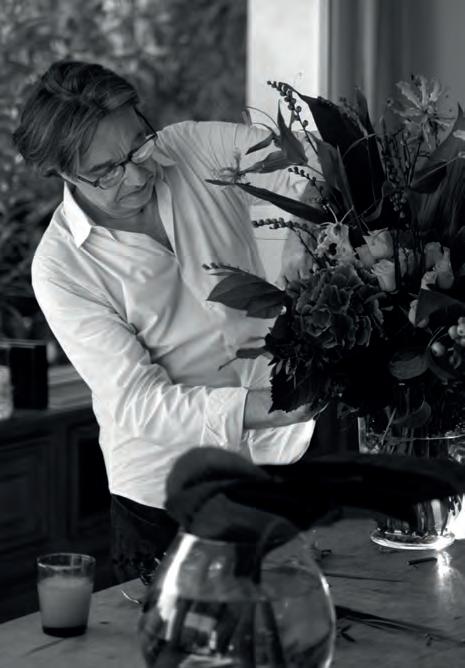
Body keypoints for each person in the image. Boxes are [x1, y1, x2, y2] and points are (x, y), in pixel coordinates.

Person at [13, 60, 319, 582]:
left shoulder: (193, 148)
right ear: (61, 173)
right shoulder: (61, 267)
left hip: (280, 462)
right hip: (167, 498)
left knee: (299, 621)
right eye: (107, 171)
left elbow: (317, 157)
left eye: (139, 146)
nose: (138, 175)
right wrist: (271, 408)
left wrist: (303, 233)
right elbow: (138, 402)